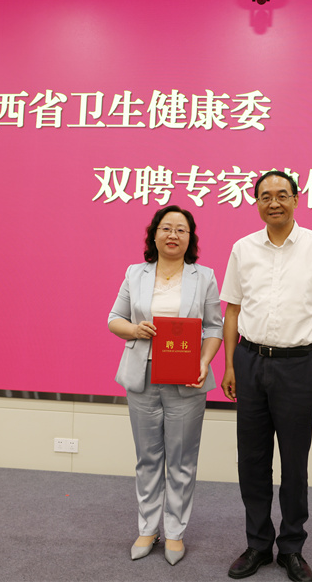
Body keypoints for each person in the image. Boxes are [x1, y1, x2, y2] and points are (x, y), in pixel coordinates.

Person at [220, 170, 312, 582]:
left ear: (296, 198)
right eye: (265, 196)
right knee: (252, 460)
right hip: (250, 360)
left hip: (298, 366)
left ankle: (292, 548)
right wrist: (229, 364)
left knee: (294, 463)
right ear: (256, 202)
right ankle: (258, 544)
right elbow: (232, 311)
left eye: (281, 194)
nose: (273, 202)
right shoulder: (243, 248)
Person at [108, 205, 223, 566]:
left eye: (181, 230)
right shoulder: (135, 273)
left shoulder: (204, 276)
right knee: (148, 458)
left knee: (182, 459)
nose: (173, 235)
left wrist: (203, 362)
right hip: (141, 377)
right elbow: (114, 319)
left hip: (186, 378)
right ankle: (147, 528)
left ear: (190, 238)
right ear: (154, 234)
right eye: (166, 228)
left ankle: (174, 531)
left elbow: (214, 327)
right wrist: (134, 329)